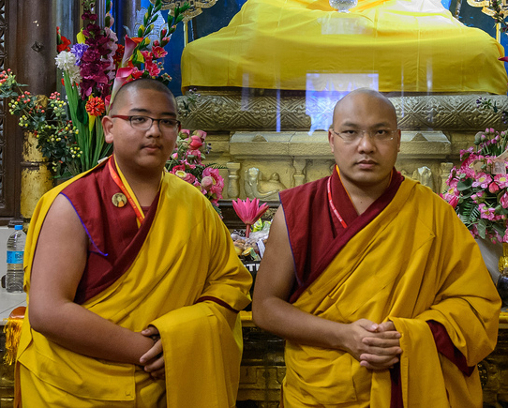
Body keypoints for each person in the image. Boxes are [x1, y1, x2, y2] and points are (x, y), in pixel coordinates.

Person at [252, 88, 501, 407]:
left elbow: (477, 307)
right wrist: (344, 336)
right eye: (350, 132)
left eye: (380, 132)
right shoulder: (298, 210)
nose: (366, 146)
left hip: (407, 387)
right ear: (331, 140)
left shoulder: (434, 214)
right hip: (319, 392)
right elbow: (265, 307)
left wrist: (407, 335)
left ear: (398, 140)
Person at [15, 78, 252, 407]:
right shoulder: (73, 203)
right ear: (109, 128)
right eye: (139, 119)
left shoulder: (193, 204)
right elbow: (48, 312)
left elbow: (231, 282)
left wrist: (179, 339)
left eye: (166, 122)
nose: (154, 131)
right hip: (75, 387)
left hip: (165, 389)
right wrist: (151, 351)